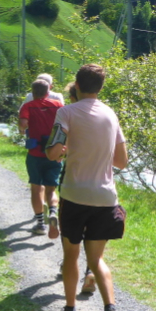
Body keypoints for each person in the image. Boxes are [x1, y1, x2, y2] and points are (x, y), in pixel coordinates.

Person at [46, 64, 128, 311]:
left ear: (77, 86)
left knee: (71, 255)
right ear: (101, 88)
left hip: (74, 196)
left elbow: (52, 152)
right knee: (96, 259)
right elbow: (122, 161)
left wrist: (65, 149)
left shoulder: (66, 112)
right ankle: (110, 310)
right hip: (105, 198)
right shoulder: (111, 114)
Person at [61, 81, 97, 295]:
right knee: (94, 234)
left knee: (71, 234)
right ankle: (90, 271)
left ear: (74, 96)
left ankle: (68, 265)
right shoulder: (103, 114)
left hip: (73, 182)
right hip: (100, 184)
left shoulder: (69, 114)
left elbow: (58, 149)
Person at [19, 79, 64, 236]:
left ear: (33, 93)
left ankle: (40, 225)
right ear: (48, 91)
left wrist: (24, 128)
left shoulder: (28, 106)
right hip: (54, 152)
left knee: (36, 188)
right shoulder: (58, 105)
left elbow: (23, 124)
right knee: (51, 189)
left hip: (35, 153)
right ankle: (53, 212)